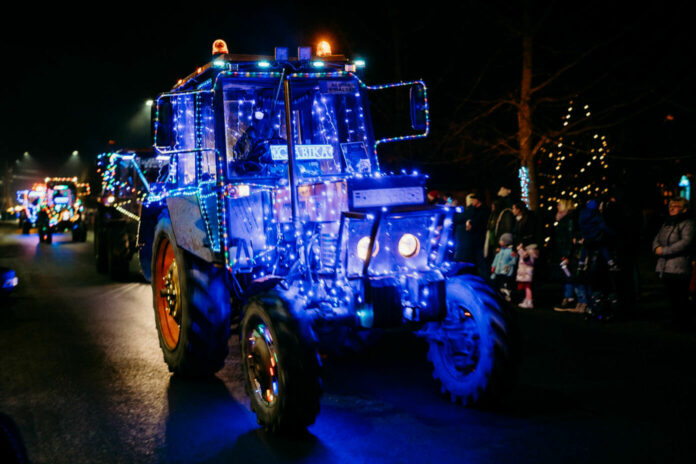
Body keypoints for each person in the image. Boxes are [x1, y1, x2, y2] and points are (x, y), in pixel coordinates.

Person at [653, 197, 695, 327]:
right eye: (670, 206)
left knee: (680, 296)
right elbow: (657, 238)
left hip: (680, 266)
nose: (671, 209)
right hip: (666, 266)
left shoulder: (688, 223)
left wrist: (664, 251)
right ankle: (676, 320)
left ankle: (683, 322)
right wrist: (656, 248)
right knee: (671, 296)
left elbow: (685, 242)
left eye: (675, 206)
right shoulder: (667, 223)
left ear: (684, 209)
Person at [551, 199, 587, 313]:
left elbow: (570, 238)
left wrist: (567, 255)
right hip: (563, 252)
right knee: (567, 277)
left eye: (559, 204)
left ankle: (581, 301)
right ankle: (569, 298)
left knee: (573, 277)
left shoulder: (569, 220)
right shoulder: (563, 219)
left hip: (567, 254)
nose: (557, 206)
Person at [453, 192, 489, 277]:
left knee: (480, 262)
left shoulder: (482, 210)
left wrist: (471, 223)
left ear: (478, 200)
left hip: (478, 241)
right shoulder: (474, 209)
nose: (472, 201)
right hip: (474, 242)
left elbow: (478, 221)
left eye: (474, 199)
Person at [484, 186, 516, 261]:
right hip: (498, 242)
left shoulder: (506, 213)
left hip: (502, 243)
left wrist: (503, 242)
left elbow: (507, 229)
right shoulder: (498, 215)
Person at [490, 232, 517, 301]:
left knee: (505, 284)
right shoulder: (500, 250)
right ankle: (496, 295)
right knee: (496, 283)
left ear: (506, 242)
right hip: (498, 271)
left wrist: (506, 269)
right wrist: (493, 266)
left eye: (501, 240)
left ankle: (506, 295)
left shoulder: (511, 251)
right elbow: (496, 259)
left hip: (505, 272)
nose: (499, 242)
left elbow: (513, 261)